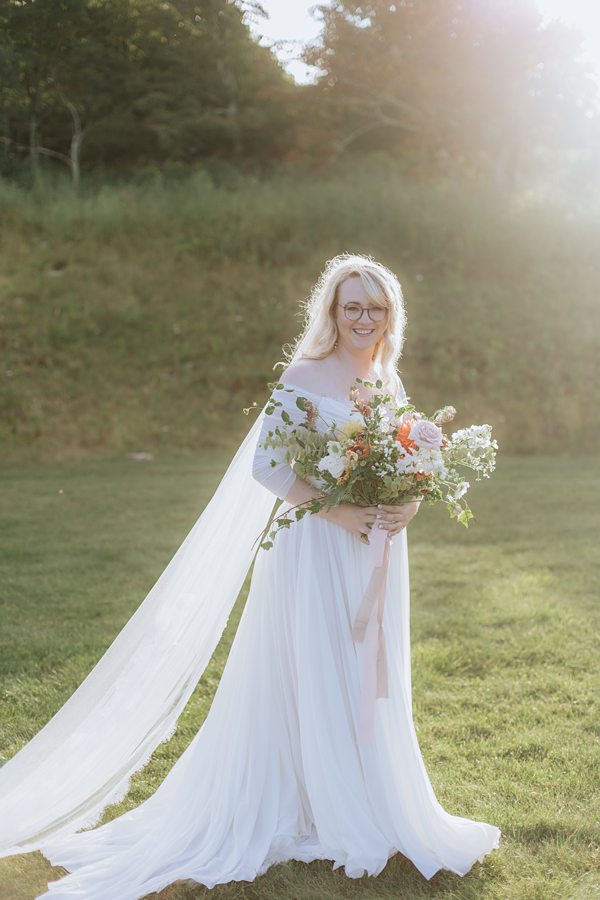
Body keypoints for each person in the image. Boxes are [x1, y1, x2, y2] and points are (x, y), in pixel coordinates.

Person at [0, 253, 501, 898]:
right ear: (332, 310)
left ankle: (371, 797)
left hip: (375, 551)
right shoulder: (303, 375)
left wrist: (405, 503)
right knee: (314, 667)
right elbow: (267, 469)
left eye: (376, 308)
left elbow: (410, 464)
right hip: (317, 546)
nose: (363, 318)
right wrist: (342, 513)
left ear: (390, 316)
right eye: (353, 306)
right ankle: (310, 801)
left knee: (367, 674)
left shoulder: (388, 381)